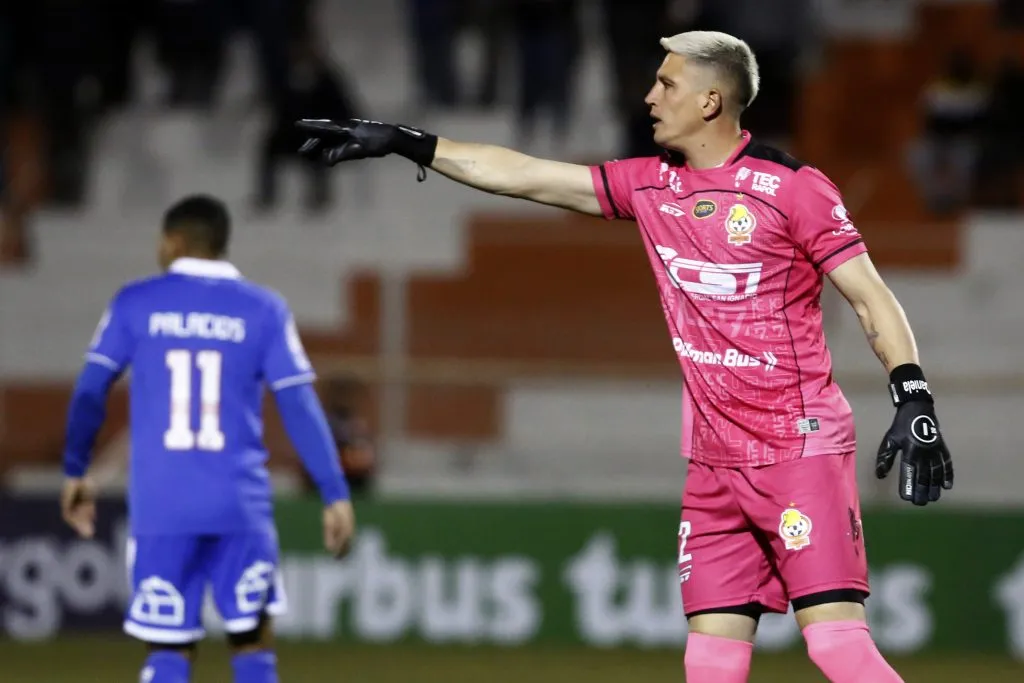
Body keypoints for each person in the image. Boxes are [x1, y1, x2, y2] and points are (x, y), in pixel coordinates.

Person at [295, 30, 954, 683]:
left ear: (711, 103)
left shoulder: (793, 189)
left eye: (666, 83)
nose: (648, 96)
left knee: (835, 645)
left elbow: (871, 297)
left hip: (795, 447)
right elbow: (524, 175)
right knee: (710, 659)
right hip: (712, 460)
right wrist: (411, 142)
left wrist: (913, 394)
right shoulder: (651, 185)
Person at [60, 195, 356, 683]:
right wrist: (335, 493)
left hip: (161, 507)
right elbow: (298, 404)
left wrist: (76, 470)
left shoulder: (135, 302)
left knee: (169, 649)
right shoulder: (263, 309)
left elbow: (91, 390)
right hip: (238, 506)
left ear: (172, 241)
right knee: (253, 643)